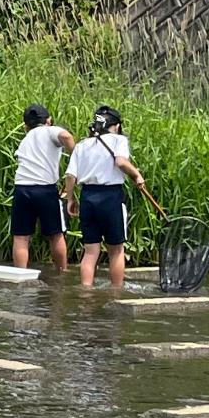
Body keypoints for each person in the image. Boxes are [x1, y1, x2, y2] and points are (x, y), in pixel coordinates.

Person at [64, 105, 149, 290]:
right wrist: (137, 175)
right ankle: (116, 292)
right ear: (116, 126)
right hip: (111, 197)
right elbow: (121, 161)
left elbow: (70, 176)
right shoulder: (119, 140)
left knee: (90, 251)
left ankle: (86, 291)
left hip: (87, 197)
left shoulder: (82, 145)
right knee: (116, 250)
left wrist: (70, 199)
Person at [12, 103, 75, 272]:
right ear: (49, 120)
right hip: (45, 189)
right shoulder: (50, 130)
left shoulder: (26, 139)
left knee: (21, 237)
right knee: (56, 234)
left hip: (22, 188)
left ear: (26, 126)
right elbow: (66, 136)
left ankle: (20, 276)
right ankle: (62, 272)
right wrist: (76, 157)